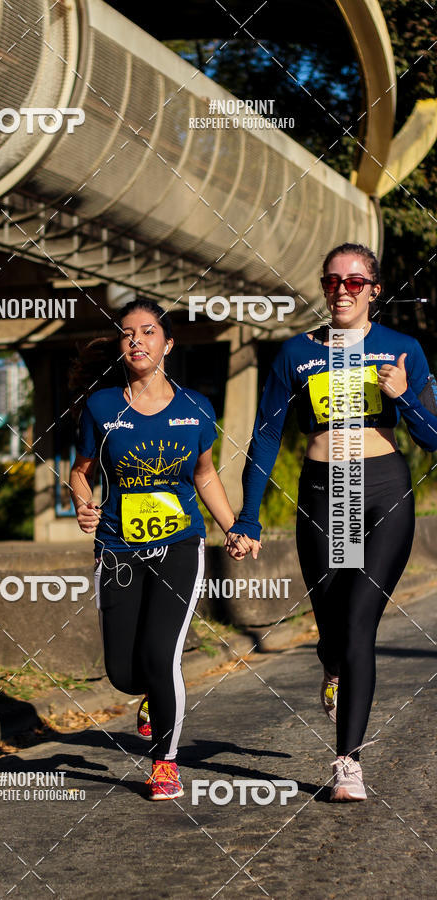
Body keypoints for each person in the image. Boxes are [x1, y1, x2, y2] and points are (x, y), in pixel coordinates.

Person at [225, 243, 437, 801]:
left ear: (373, 289)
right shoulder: (295, 353)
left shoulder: (402, 349)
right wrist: (247, 517)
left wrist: (406, 397)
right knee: (336, 630)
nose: (342, 291)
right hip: (326, 498)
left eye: (354, 281)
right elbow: (267, 436)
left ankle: (348, 763)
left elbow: (433, 438)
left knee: (362, 619)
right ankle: (332, 665)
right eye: (332, 282)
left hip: (384, 491)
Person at [69, 299, 237, 800]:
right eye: (127, 334)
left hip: (180, 542)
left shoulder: (196, 408)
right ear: (121, 347)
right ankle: (148, 696)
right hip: (118, 546)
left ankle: (165, 761)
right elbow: (81, 472)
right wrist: (84, 506)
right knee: (123, 672)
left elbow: (205, 475)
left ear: (168, 344)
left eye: (147, 332)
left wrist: (233, 527)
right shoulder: (101, 407)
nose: (136, 340)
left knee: (161, 655)